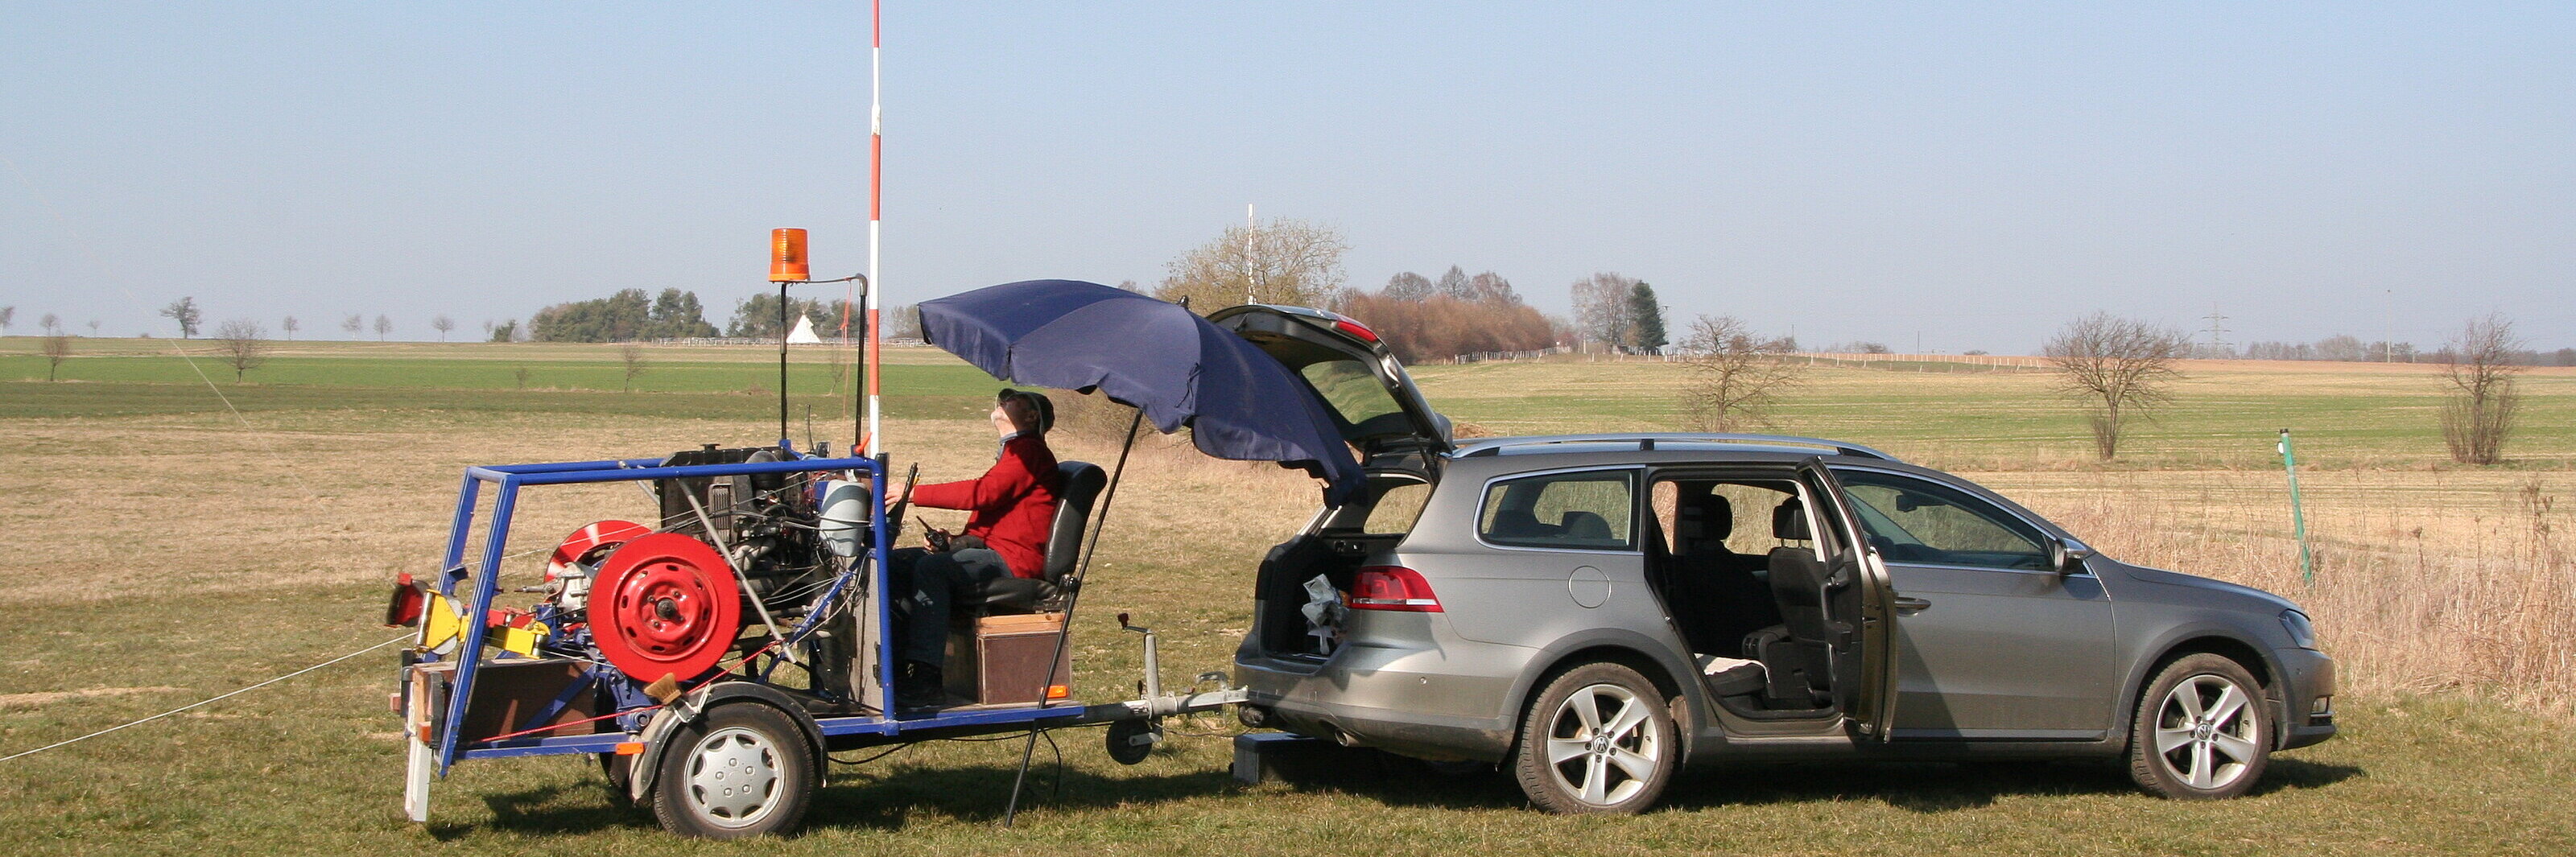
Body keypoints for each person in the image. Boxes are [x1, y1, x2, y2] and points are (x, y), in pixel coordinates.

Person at [883, 388, 1060, 709]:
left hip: (1013, 560)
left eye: (1012, 400)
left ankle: (926, 678)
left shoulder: (1029, 451)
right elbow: (990, 515)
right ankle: (895, 668)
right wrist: (956, 542)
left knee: (932, 568)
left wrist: (913, 493)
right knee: (893, 563)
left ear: (1031, 416)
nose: (1003, 401)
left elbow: (983, 494)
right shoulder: (1014, 453)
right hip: (993, 550)